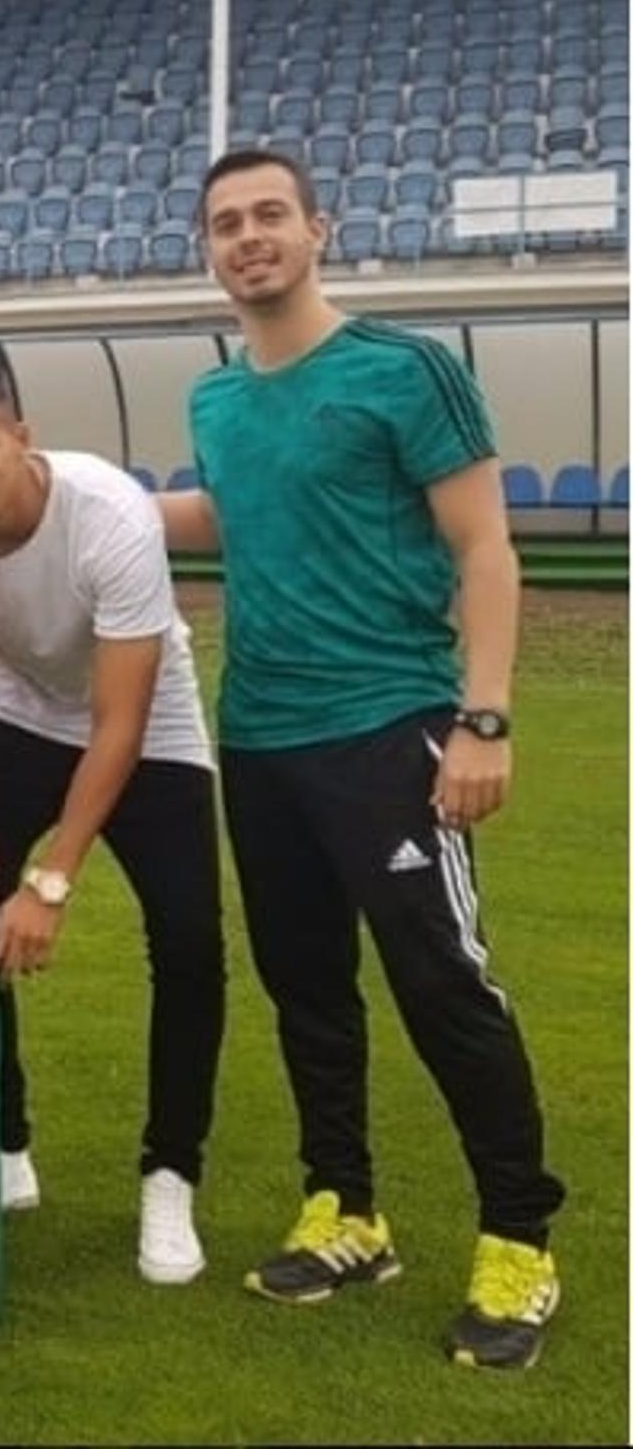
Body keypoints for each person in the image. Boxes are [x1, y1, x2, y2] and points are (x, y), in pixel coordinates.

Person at [165, 147, 563, 1370]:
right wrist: (35, 496)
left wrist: (481, 718)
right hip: (264, 737)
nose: (249, 237)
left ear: (318, 229)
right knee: (308, 992)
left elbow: (485, 549)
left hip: (392, 727)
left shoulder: (404, 371)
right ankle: (347, 1210)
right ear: (209, 251)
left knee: (444, 984)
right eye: (226, 223)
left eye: (269, 214)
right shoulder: (217, 401)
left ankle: (517, 1239)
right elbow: (228, 516)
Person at [0, 354, 223, 1287]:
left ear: (23, 438)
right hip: (11, 712)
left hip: (149, 729)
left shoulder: (109, 517)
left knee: (189, 946)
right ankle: (1, 1143)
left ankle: (170, 1175)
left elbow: (118, 722)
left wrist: (52, 880)